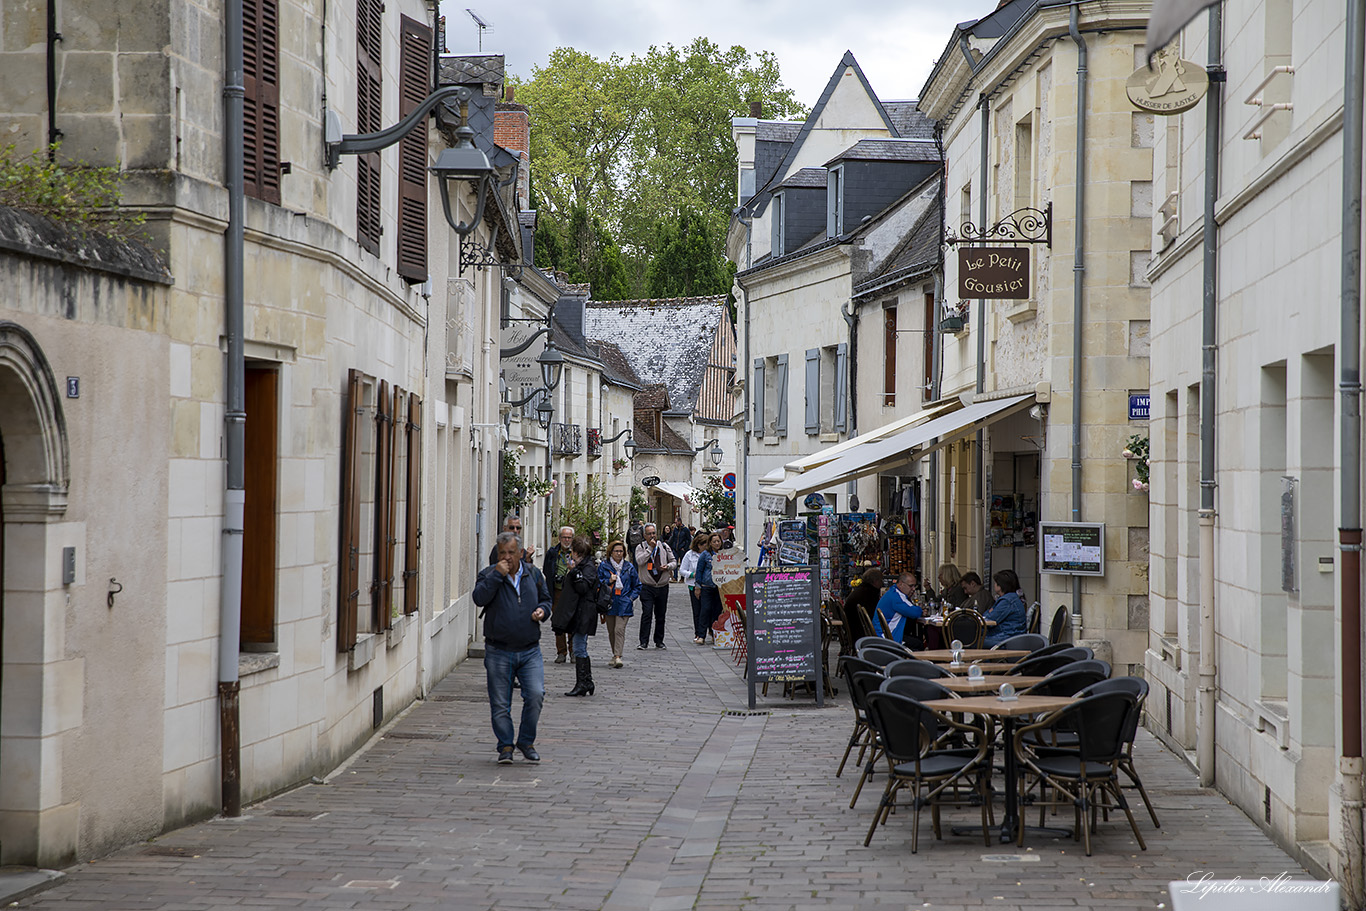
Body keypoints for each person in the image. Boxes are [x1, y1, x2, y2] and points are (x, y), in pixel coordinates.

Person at [472, 531, 550, 764]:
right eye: (502, 553)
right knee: (500, 703)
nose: (507, 557)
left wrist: (542, 611)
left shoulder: (533, 574)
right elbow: (479, 598)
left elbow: (545, 600)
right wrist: (497, 575)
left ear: (520, 553)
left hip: (529, 650)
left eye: (511, 553)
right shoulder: (488, 575)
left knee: (536, 695)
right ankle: (505, 745)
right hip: (498, 650)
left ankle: (526, 741)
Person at [551, 535, 601, 697]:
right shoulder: (583, 566)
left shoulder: (588, 568)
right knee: (580, 646)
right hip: (579, 612)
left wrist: (573, 572)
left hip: (584, 613)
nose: (571, 554)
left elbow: (583, 588)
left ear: (578, 553)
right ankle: (587, 681)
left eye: (572, 551)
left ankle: (583, 682)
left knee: (579, 647)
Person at [634, 523, 677, 650]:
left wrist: (668, 567)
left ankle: (659, 640)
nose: (652, 536)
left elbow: (674, 561)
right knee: (646, 613)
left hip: (662, 585)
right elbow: (640, 561)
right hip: (647, 586)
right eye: (649, 534)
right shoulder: (640, 547)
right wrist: (650, 550)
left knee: (661, 614)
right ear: (644, 535)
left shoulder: (664, 546)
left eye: (653, 533)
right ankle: (643, 642)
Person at [598, 540, 640, 668]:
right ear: (611, 552)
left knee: (619, 630)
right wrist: (608, 580)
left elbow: (637, 585)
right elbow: (598, 582)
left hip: (624, 602)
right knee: (611, 631)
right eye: (616, 551)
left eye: (621, 551)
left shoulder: (629, 567)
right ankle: (614, 653)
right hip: (609, 602)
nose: (619, 554)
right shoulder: (604, 566)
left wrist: (630, 598)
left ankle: (618, 656)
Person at [542, 526, 576, 664]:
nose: (566, 540)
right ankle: (561, 652)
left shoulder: (577, 552)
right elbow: (546, 569)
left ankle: (573, 651)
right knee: (557, 621)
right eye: (564, 537)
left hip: (572, 592)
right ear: (560, 538)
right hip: (556, 591)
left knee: (573, 621)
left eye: (569, 538)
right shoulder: (552, 552)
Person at [983, 568, 1028, 647]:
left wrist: (990, 612)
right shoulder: (1012, 598)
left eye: (995, 583)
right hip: (1009, 635)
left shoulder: (1007, 601)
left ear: (1000, 586)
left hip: (1006, 637)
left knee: (975, 642)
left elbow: (990, 619)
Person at [874, 572, 923, 644]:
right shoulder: (897, 597)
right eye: (911, 586)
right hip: (888, 638)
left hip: (880, 634)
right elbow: (915, 613)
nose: (913, 589)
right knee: (918, 644)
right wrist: (921, 609)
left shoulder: (892, 592)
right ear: (901, 584)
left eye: (914, 586)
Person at [679, 531, 710, 644]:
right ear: (699, 545)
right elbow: (682, 570)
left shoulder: (708, 554)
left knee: (706, 610)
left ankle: (708, 631)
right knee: (697, 610)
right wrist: (692, 575)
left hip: (706, 586)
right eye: (704, 545)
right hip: (693, 585)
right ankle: (698, 632)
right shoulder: (689, 555)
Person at [840, 568, 884, 644]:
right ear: (875, 581)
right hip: (860, 632)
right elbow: (874, 614)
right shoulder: (869, 593)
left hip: (854, 630)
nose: (882, 584)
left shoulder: (862, 590)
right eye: (880, 580)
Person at [696, 532, 723, 644]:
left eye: (718, 541)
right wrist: (698, 586)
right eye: (714, 542)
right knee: (705, 609)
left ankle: (714, 634)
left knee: (716, 612)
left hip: (719, 587)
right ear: (710, 543)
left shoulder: (724, 554)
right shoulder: (705, 555)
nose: (717, 543)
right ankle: (701, 635)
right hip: (707, 586)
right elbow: (699, 570)